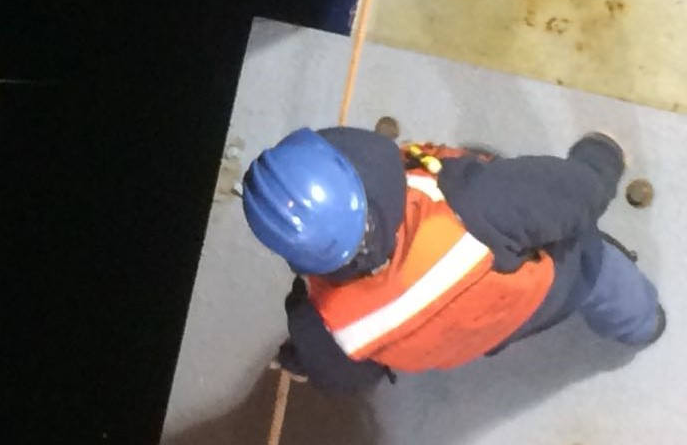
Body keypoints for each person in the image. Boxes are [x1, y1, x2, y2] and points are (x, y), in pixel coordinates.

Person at [242, 127, 666, 392]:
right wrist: (602, 155)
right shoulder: (480, 205)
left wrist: (300, 358)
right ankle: (643, 325)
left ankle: (638, 325)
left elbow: (346, 373)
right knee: (605, 278)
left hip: (488, 327)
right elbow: (576, 193)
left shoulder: (319, 322)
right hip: (561, 283)